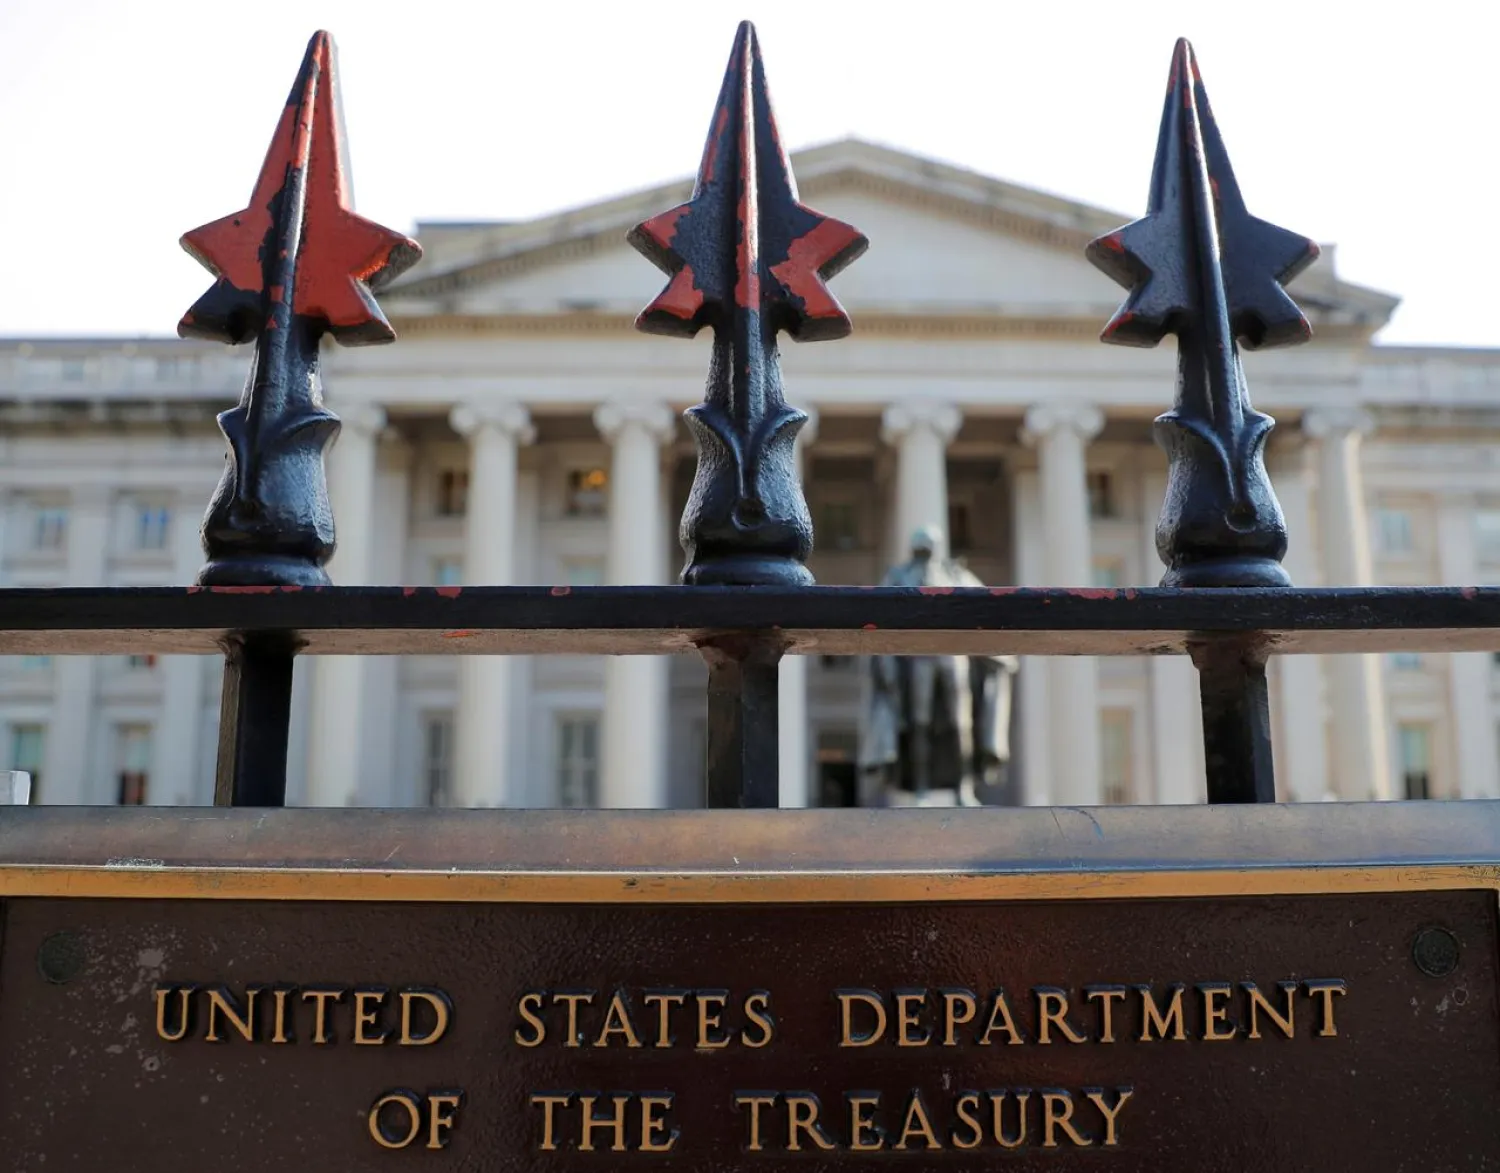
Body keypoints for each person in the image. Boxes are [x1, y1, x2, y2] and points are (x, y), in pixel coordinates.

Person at [857, 525, 1018, 805]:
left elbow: (987, 605)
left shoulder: (955, 574)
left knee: (961, 723)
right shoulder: (899, 576)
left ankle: (963, 787)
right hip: (918, 659)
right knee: (920, 724)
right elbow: (876, 613)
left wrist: (999, 652)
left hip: (953, 658)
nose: (924, 553)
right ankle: (920, 787)